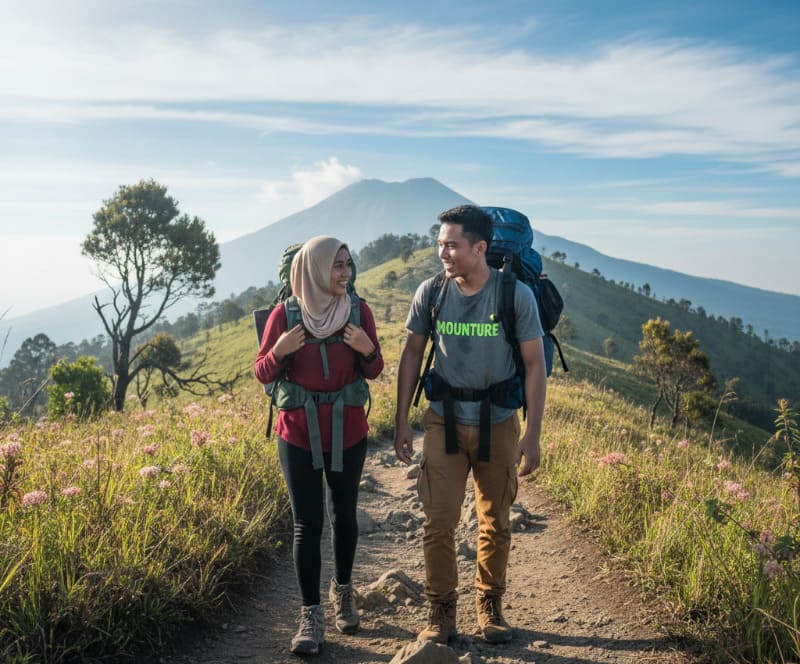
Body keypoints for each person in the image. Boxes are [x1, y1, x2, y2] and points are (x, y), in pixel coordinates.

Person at [393, 205, 546, 645]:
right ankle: (440, 610)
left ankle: (490, 603)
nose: (443, 252)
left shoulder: (514, 295)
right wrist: (402, 420)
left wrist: (532, 434)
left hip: (498, 421)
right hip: (443, 420)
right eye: (440, 243)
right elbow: (410, 355)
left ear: (480, 248)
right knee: (437, 522)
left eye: (452, 245)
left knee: (495, 518)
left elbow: (535, 365)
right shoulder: (432, 292)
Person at [254, 236, 383, 656]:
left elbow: (375, 368)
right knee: (306, 524)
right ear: (313, 270)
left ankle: (343, 591)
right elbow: (262, 372)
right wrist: (278, 350)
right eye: (336, 266)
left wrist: (367, 349)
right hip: (297, 434)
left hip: (349, 431)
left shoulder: (359, 312)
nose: (345, 273)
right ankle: (311, 613)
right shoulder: (285, 315)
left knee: (344, 516)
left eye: (348, 264)